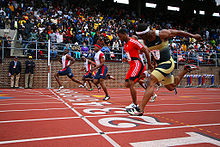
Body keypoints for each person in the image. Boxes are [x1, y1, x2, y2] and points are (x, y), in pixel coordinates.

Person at [126, 23, 201, 116]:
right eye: (140, 36)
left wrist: (193, 36)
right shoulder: (146, 41)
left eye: (143, 36)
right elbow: (154, 51)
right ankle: (185, 69)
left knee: (150, 81)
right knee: (171, 87)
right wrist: (153, 63)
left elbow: (178, 32)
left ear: (148, 32)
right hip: (159, 65)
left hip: (167, 63)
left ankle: (140, 109)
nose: (142, 38)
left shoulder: (161, 34)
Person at [118, 29, 152, 110]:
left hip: (137, 63)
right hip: (131, 65)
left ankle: (135, 104)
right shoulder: (125, 45)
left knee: (131, 82)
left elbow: (146, 51)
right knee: (127, 84)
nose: (119, 38)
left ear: (125, 34)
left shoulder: (134, 42)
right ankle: (145, 75)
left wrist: (149, 64)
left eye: (120, 36)